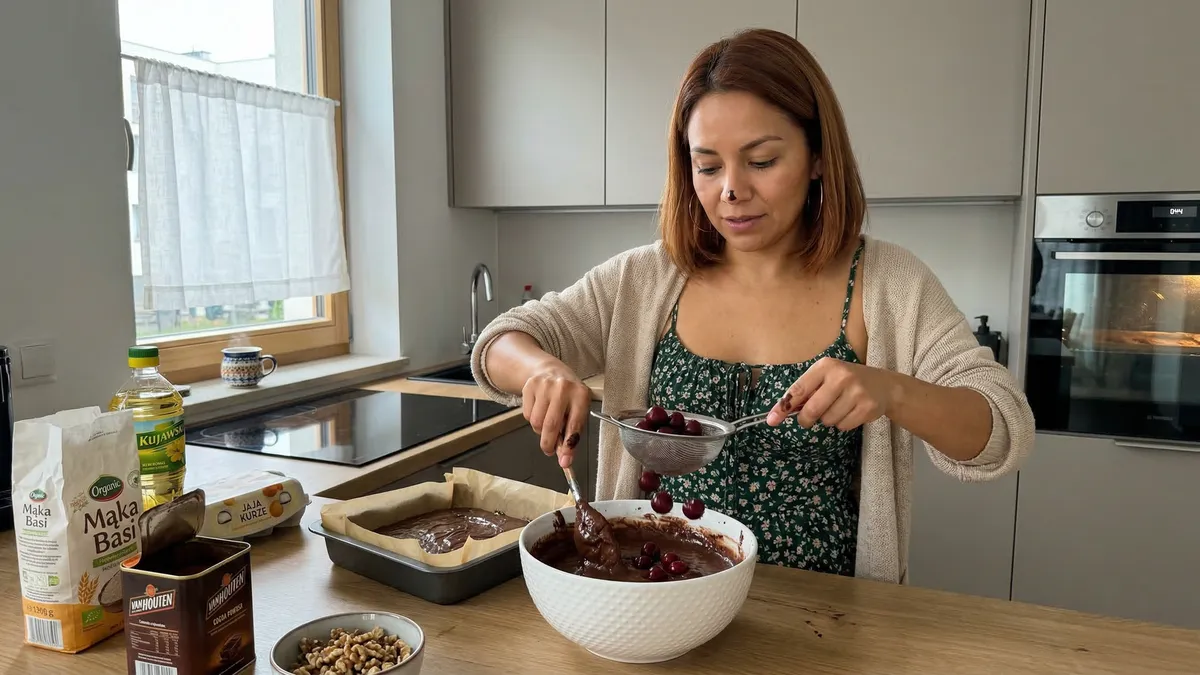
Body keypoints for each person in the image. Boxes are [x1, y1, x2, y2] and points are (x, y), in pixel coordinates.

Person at [469, 28, 1034, 583]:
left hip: (826, 620)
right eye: (708, 166)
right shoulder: (645, 278)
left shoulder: (889, 283)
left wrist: (891, 390)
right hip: (659, 603)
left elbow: (1002, 430)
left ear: (817, 157)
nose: (730, 190)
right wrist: (540, 369)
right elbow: (502, 341)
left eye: (761, 161)